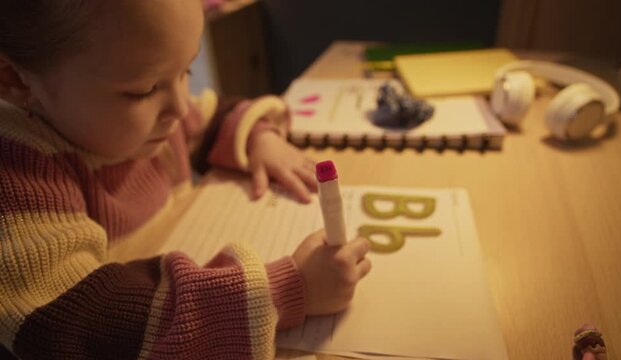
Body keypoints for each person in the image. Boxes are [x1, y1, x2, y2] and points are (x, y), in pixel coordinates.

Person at [0, 1, 372, 358]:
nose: (179, 106)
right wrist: (285, 292)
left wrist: (259, 138)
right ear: (14, 80)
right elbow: (84, 322)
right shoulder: (17, 170)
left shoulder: (146, 120)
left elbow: (212, 118)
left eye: (186, 72)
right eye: (144, 90)